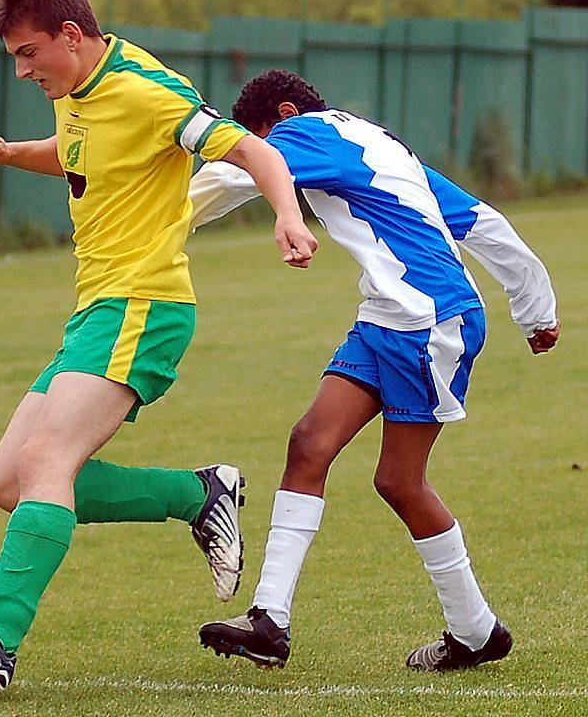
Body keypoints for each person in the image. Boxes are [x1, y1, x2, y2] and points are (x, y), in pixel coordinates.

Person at [0, 0, 317, 697]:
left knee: (47, 458)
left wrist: (287, 214)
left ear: (71, 35)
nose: (24, 70)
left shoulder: (148, 90)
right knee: (11, 480)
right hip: (98, 309)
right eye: (14, 58)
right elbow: (76, 156)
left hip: (143, 304)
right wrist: (6, 154)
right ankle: (197, 495)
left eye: (30, 53)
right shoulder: (76, 95)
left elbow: (252, 151)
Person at [191, 70, 560, 671]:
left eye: (259, 137)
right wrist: (535, 308)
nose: (261, 151)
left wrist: (149, 220)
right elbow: (480, 220)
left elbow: (240, 172)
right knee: (308, 444)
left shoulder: (307, 132)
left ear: (282, 117)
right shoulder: (378, 147)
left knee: (400, 481)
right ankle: (269, 621)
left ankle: (476, 631)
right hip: (389, 316)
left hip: (429, 318)